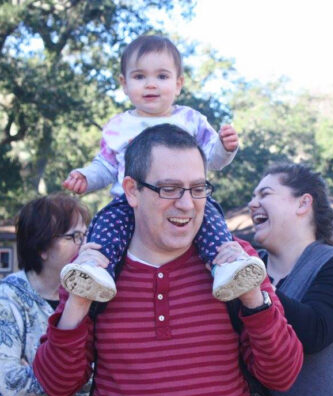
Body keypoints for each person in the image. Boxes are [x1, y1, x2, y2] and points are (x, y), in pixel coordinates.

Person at [33, 124, 303, 396]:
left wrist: (251, 298)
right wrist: (79, 301)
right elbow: (57, 385)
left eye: (198, 189)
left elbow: (281, 375)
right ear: (132, 191)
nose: (187, 204)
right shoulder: (91, 271)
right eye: (170, 189)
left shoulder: (236, 260)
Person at [60, 35, 266, 304]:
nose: (151, 84)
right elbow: (106, 165)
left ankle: (226, 265)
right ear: (124, 83)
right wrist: (85, 177)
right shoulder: (119, 126)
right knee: (106, 228)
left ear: (178, 84)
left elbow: (213, 160)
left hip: (186, 199)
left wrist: (226, 148)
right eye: (139, 76)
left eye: (162, 76)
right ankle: (96, 271)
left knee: (211, 221)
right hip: (128, 203)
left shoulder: (190, 120)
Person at [245, 162, 333, 396]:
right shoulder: (251, 263)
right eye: (253, 196)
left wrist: (251, 288)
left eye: (265, 194)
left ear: (303, 203)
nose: (252, 204)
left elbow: (314, 332)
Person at [0, 193, 91, 396]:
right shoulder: (8, 298)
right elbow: (12, 384)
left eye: (86, 235)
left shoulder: (92, 295)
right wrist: (81, 380)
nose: (85, 244)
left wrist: (37, 372)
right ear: (41, 248)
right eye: (74, 236)